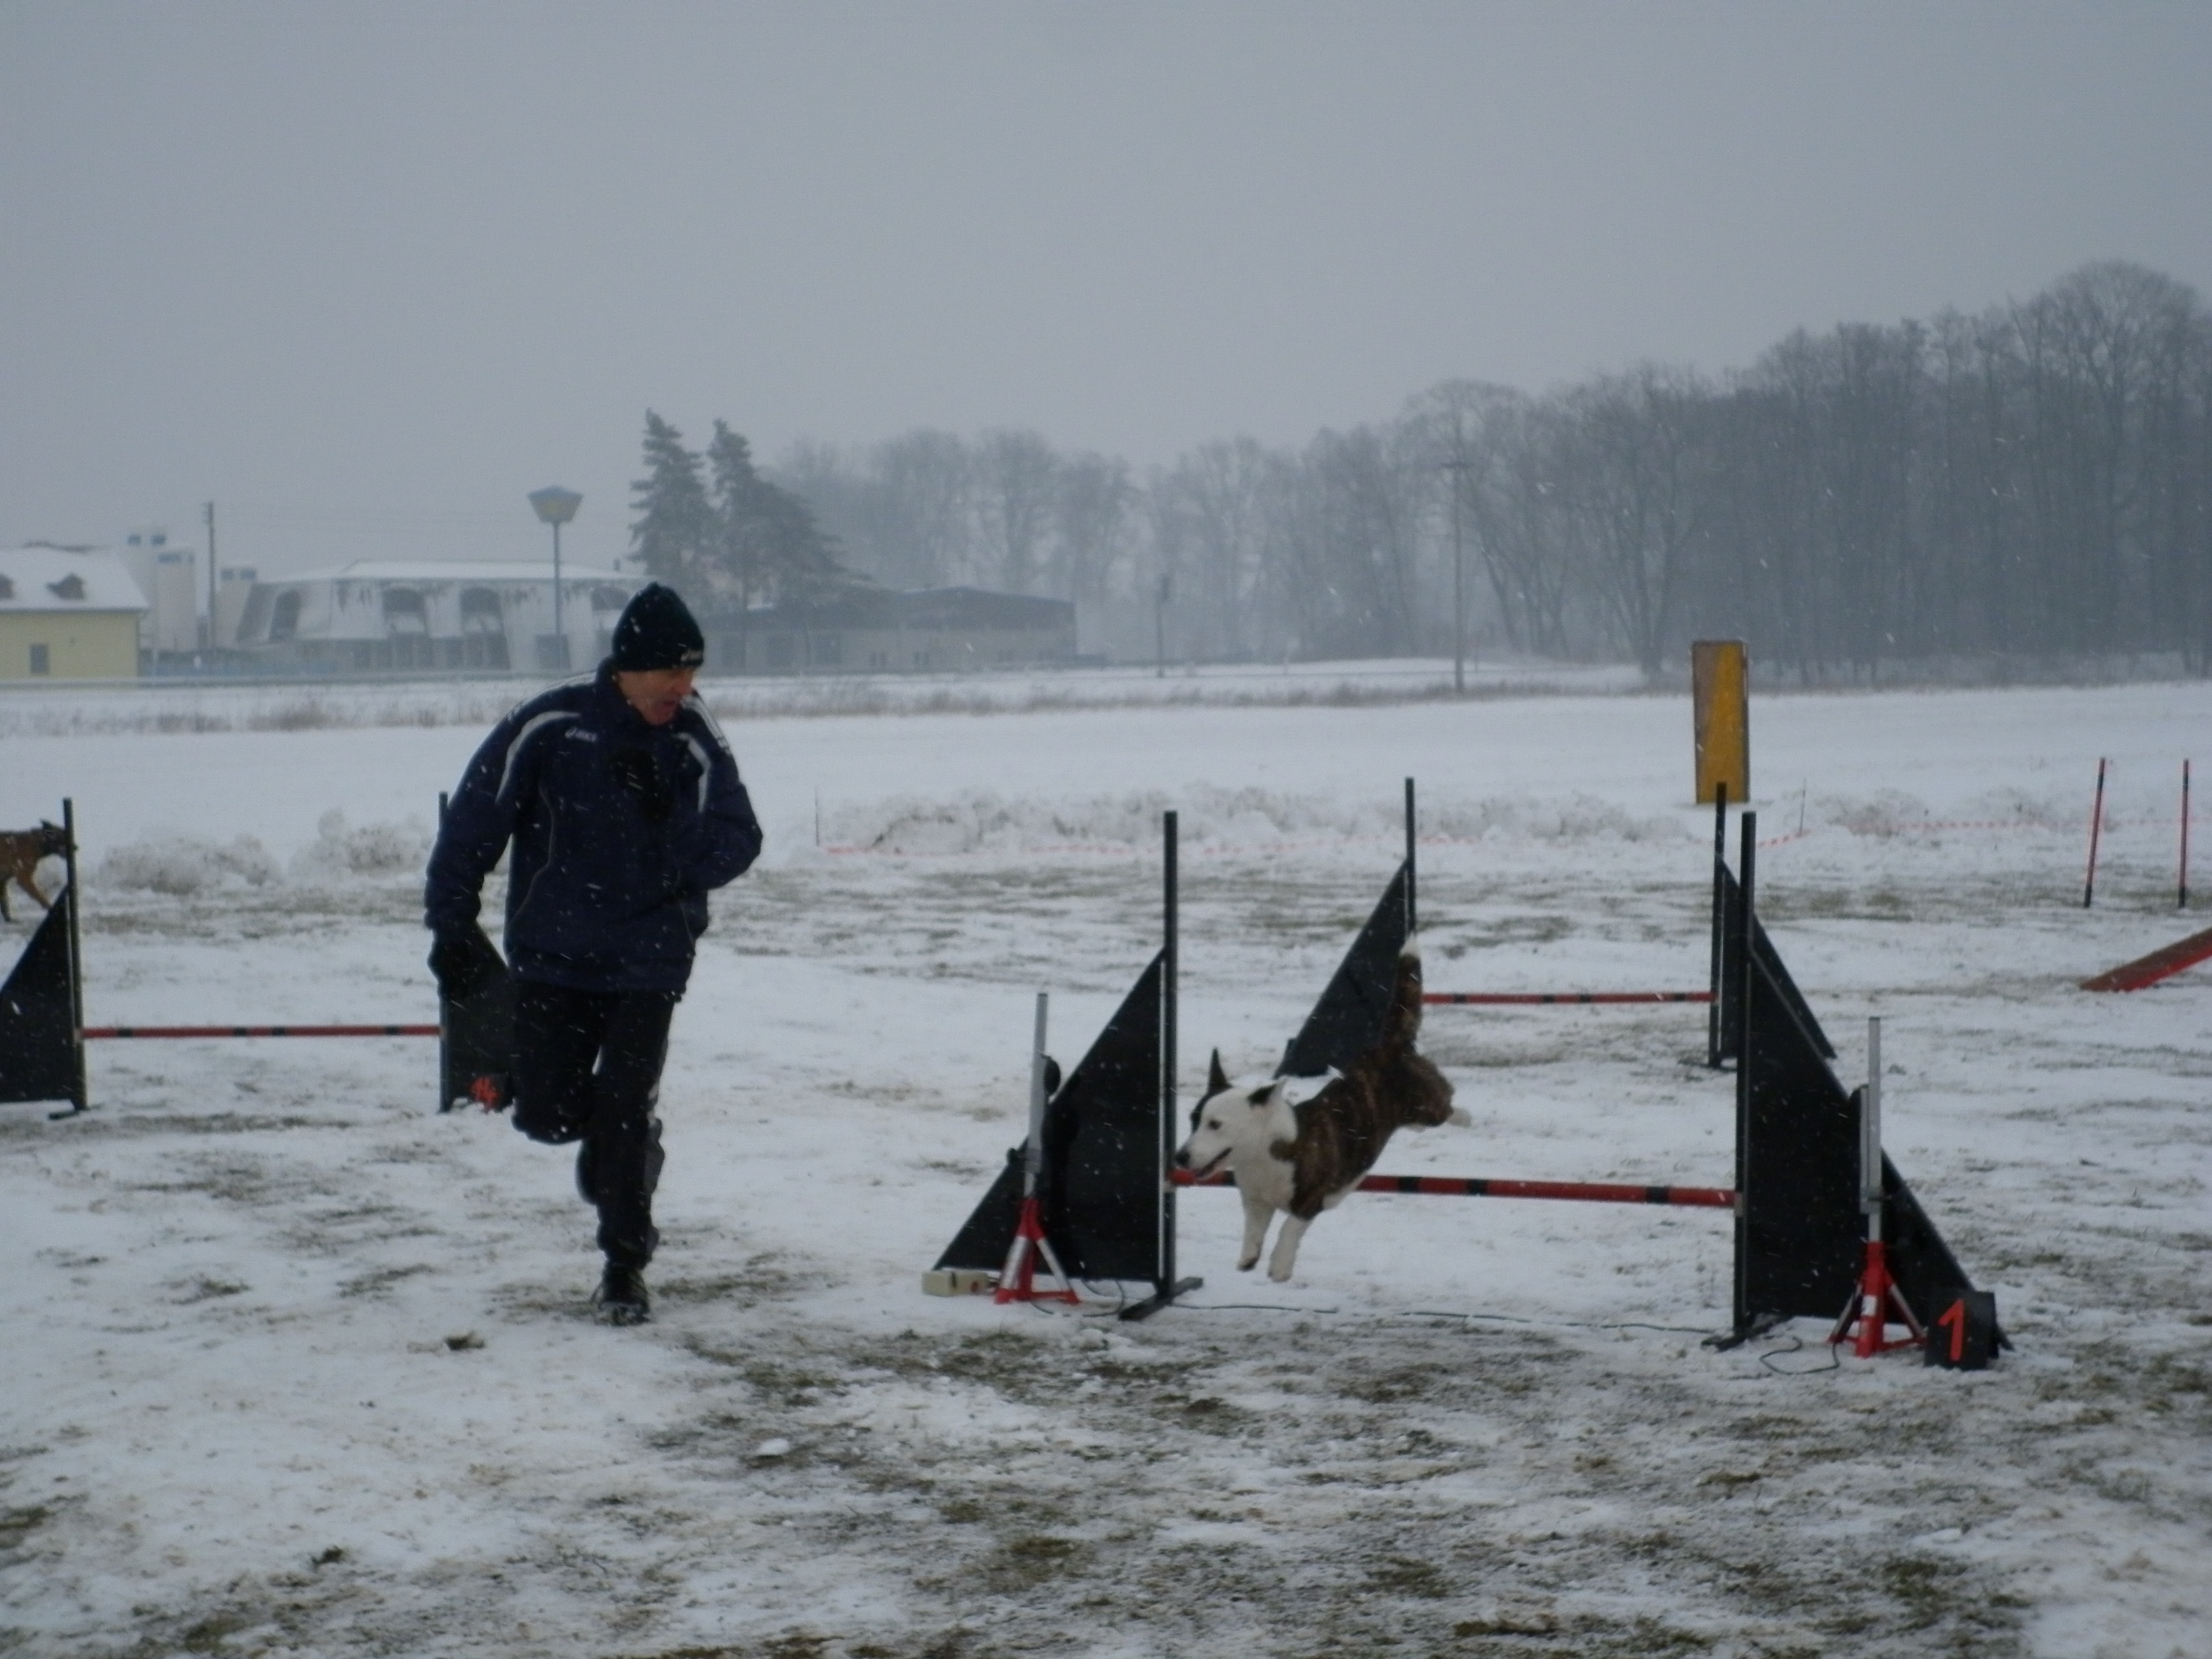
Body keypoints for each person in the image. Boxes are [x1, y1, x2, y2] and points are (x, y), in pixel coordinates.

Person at [424, 583, 762, 1324]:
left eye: (694, 672)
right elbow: (475, 821)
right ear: (628, 668)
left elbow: (739, 843)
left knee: (625, 1106)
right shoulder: (551, 722)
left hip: (650, 958)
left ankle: (623, 1267)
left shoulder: (691, 735)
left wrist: (667, 815)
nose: (685, 688)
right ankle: (618, 1153)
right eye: (671, 672)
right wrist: (451, 924)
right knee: (546, 1116)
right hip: (554, 955)